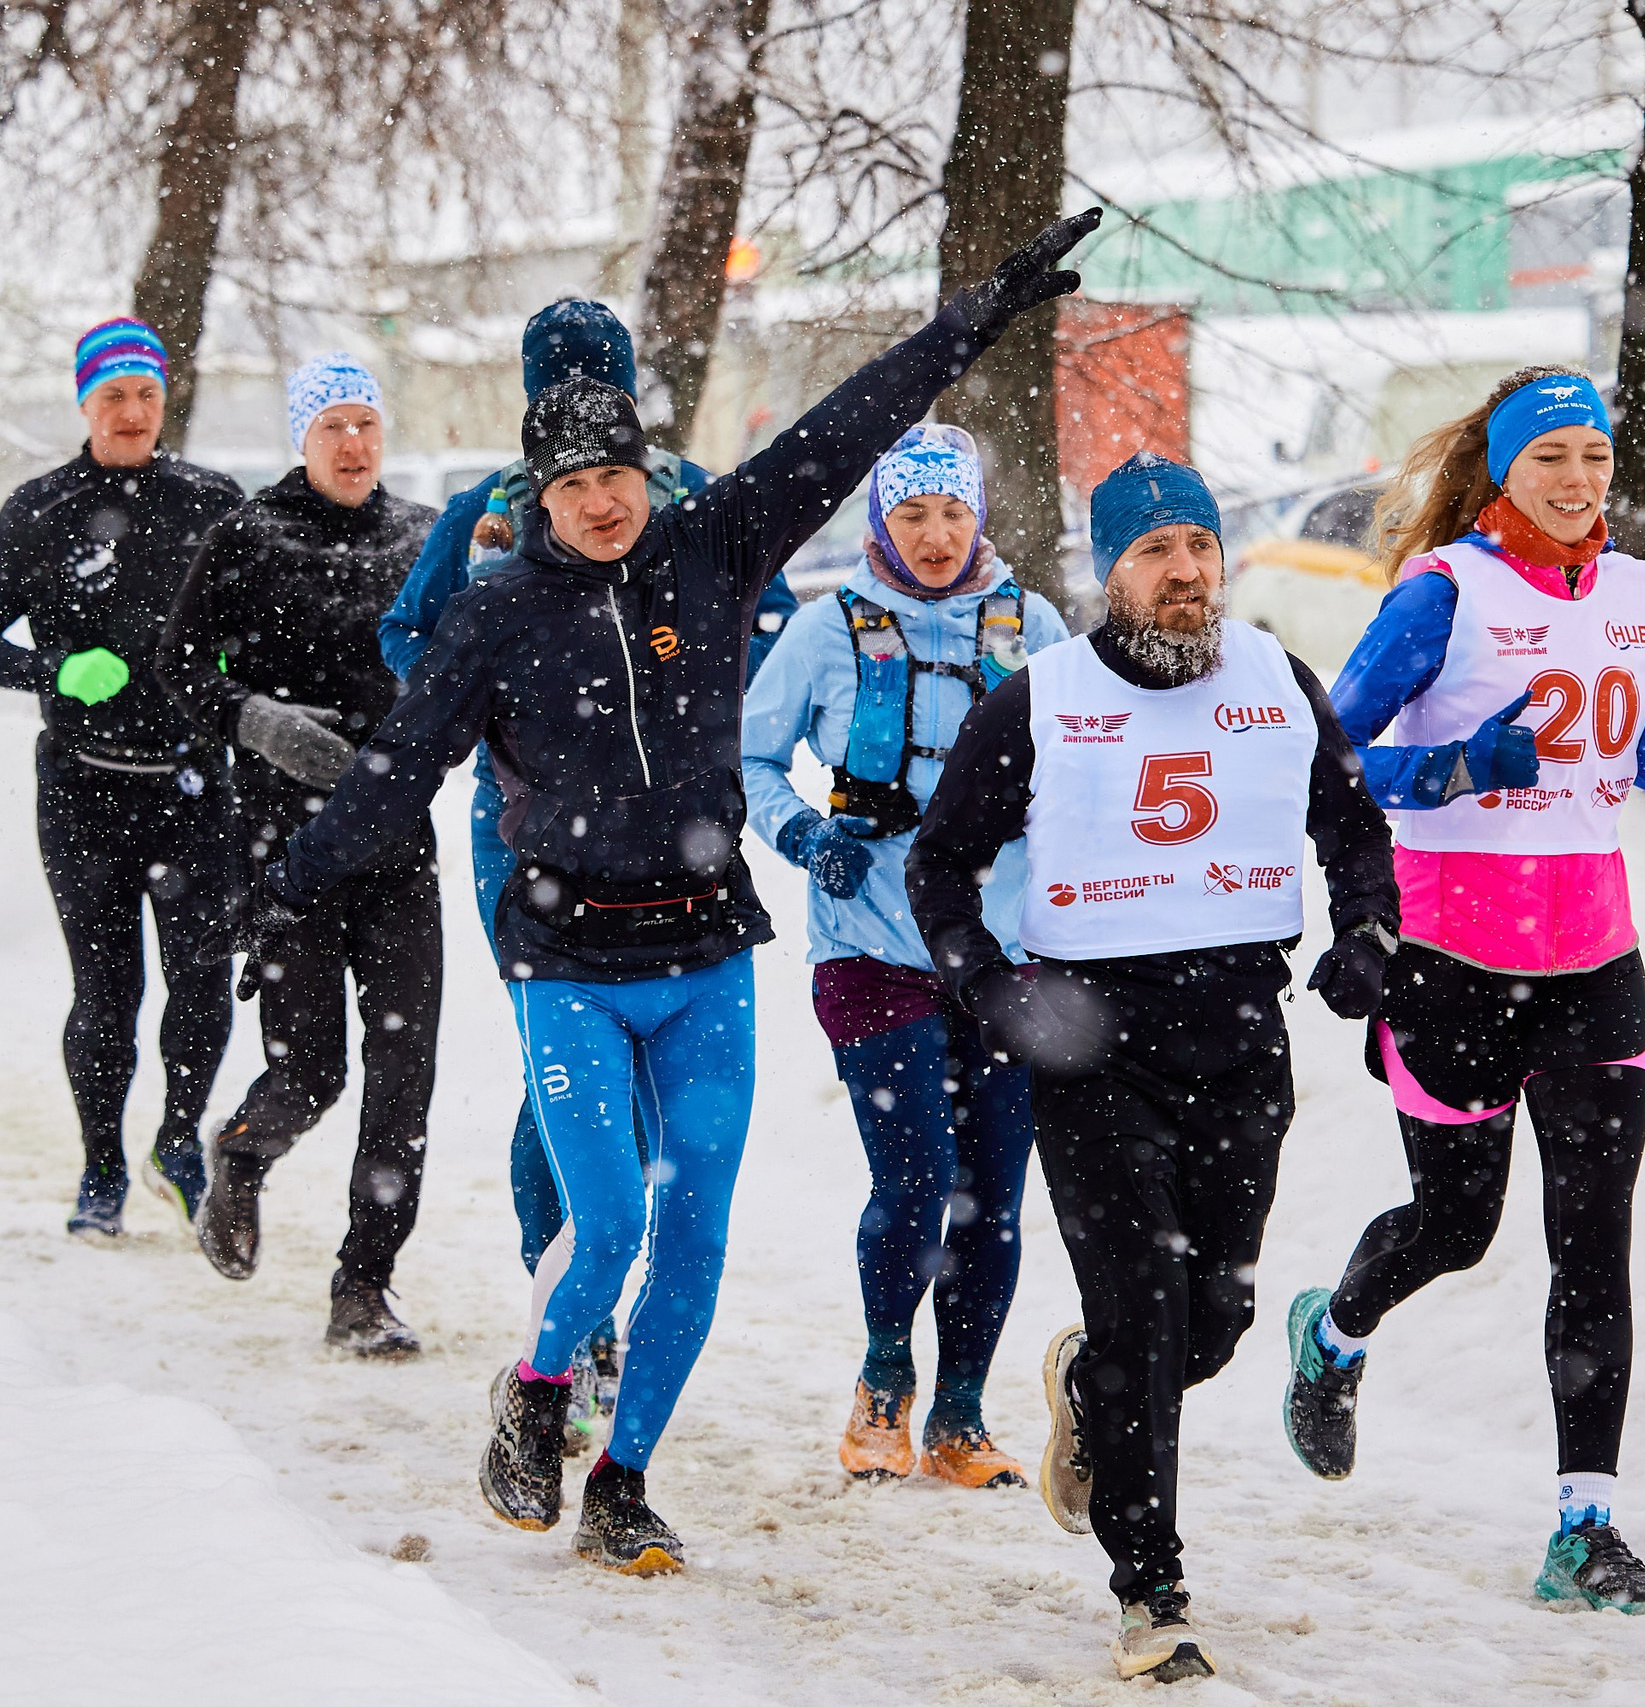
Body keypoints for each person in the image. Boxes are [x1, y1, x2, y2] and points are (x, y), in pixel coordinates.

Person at [219, 210, 1101, 1577]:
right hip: (568, 954)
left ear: (642, 465)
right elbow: (398, 770)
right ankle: (536, 1380)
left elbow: (847, 425)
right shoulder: (496, 609)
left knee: (693, 1235)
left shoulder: (713, 543)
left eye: (618, 471)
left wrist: (973, 319)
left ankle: (623, 1475)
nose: (603, 500)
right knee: (613, 1215)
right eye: (574, 484)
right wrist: (287, 886)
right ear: (542, 491)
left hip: (703, 954)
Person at [907, 451, 1398, 1681]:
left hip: (1238, 1033)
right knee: (1143, 1305)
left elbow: (1351, 825)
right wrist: (987, 986)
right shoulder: (1040, 698)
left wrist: (1368, 934)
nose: (1185, 573)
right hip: (1091, 1041)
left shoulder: (1278, 682)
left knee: (1214, 1320)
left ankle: (1092, 1387)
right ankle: (1151, 1587)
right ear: (1109, 572)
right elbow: (939, 866)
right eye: (1153, 554)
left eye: (1198, 548)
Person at [1280, 367, 1645, 1616]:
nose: (1579, 484)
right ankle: (1336, 1331)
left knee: (1593, 1244)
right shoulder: (1442, 593)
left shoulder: (1628, 589)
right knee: (1458, 1226)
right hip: (1454, 961)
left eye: (1594, 457)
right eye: (1550, 462)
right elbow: (1336, 761)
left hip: (1592, 962)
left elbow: (1607, 741)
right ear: (1503, 471)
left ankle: (1586, 1525)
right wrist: (1457, 763)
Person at [377, 299, 801, 1443]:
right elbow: (405, 636)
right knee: (554, 1063)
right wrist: (492, 694)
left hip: (674, 825)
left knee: (635, 1087)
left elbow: (775, 612)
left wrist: (693, 691)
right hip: (525, 828)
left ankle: (594, 1292)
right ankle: (569, 1294)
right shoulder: (490, 508)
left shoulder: (688, 497)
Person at [741, 423, 1070, 1487]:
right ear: (880, 519)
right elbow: (748, 758)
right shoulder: (829, 629)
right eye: (911, 514)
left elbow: (1094, 768)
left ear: (980, 515)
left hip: (1006, 952)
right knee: (919, 1176)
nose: (934, 536)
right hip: (870, 947)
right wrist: (802, 834)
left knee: (994, 1191)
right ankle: (885, 1383)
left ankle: (961, 1418)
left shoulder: (1038, 627)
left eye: (953, 513)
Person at [155, 354, 441, 1354]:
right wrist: (257, 721)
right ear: (301, 438)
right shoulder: (246, 535)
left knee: (404, 1072)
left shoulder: (422, 537)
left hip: (399, 838)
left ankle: (363, 1285)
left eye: (366, 422)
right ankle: (239, 1155)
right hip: (289, 849)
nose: (353, 443)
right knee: (310, 1072)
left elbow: (461, 663)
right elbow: (180, 664)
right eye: (332, 427)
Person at [0, 317, 243, 1238]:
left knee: (201, 977)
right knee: (108, 991)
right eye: (112, 395)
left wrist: (235, 668)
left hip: (196, 785)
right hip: (84, 789)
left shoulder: (213, 501)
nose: (132, 411)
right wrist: (52, 670)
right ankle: (102, 1167)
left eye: (147, 394)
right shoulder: (41, 509)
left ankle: (180, 1141)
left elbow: (259, 624)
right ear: (85, 403)